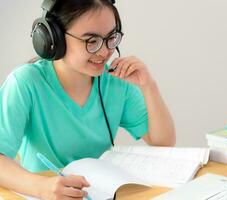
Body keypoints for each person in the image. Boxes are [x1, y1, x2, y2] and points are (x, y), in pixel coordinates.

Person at [0, 0, 176, 199]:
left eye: (111, 38)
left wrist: (149, 86)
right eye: (91, 41)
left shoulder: (116, 82)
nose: (104, 52)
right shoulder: (25, 83)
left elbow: (163, 142)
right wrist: (42, 187)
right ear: (55, 38)